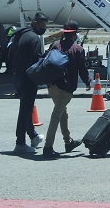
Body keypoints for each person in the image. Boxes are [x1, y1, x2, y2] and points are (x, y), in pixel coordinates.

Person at [41, 20, 91, 158]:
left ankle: (68, 142)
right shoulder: (78, 49)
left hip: (52, 87)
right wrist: (87, 82)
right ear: (75, 34)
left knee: (63, 114)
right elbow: (82, 69)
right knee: (56, 116)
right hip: (66, 89)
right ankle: (48, 147)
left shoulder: (54, 45)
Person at [8, 12, 48, 153]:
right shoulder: (34, 39)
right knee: (25, 110)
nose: (44, 27)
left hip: (17, 76)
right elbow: (36, 60)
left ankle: (33, 136)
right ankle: (20, 143)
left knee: (26, 107)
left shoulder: (19, 35)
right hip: (28, 78)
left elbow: (10, 55)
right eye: (43, 24)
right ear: (36, 23)